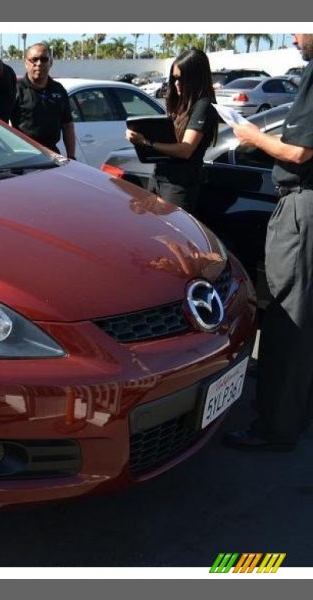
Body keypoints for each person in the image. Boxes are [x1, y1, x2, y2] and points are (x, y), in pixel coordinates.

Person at [222, 33, 313, 452]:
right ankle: (294, 410)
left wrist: (251, 137)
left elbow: (297, 152)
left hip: (301, 208)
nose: (294, 36)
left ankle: (276, 426)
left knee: (286, 315)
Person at [125, 49, 218, 215]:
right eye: (174, 78)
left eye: (182, 79)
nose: (177, 84)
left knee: (171, 239)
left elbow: (185, 150)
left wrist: (146, 142)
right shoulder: (182, 104)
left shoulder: (203, 106)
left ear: (196, 78)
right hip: (160, 177)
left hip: (179, 185)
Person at [11, 43, 76, 158]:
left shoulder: (59, 90)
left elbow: (67, 125)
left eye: (44, 59)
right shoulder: (15, 90)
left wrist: (71, 156)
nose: (39, 63)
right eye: (34, 59)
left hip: (52, 156)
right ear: (26, 63)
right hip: (23, 158)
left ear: (50, 62)